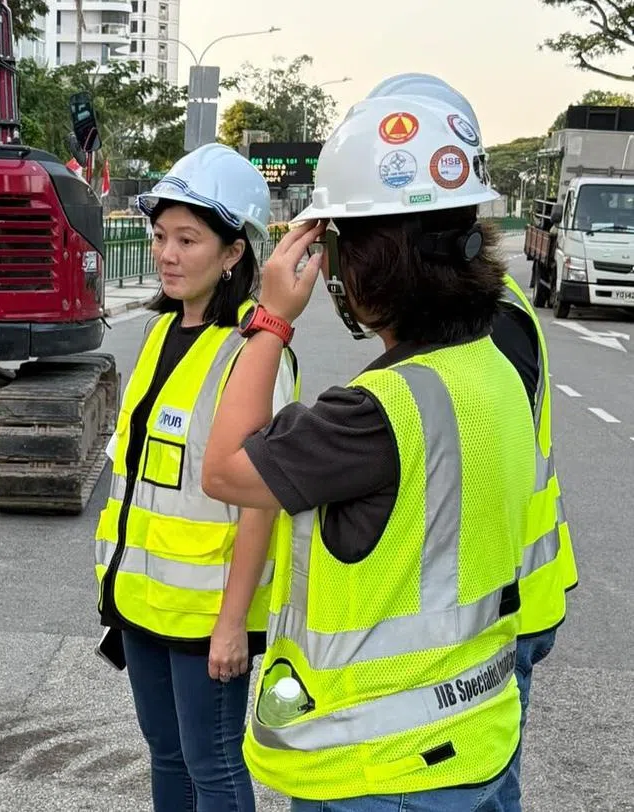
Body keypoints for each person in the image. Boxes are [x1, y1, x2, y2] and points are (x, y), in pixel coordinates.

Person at [200, 91, 537, 810]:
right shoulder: (494, 367)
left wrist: (269, 321)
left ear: (368, 265)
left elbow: (225, 469)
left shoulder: (376, 414)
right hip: (478, 741)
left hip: (379, 773)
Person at [363, 74, 579, 808]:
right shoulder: (481, 308)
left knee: (484, 786)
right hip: (497, 595)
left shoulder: (489, 322)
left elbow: (466, 467)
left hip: (501, 608)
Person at [93, 142, 300, 812]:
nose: (167, 253)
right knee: (167, 755)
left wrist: (234, 622)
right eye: (159, 237)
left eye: (188, 238)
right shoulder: (160, 332)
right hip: (143, 601)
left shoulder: (254, 349)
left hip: (209, 610)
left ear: (235, 252)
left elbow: (263, 502)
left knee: (212, 764)